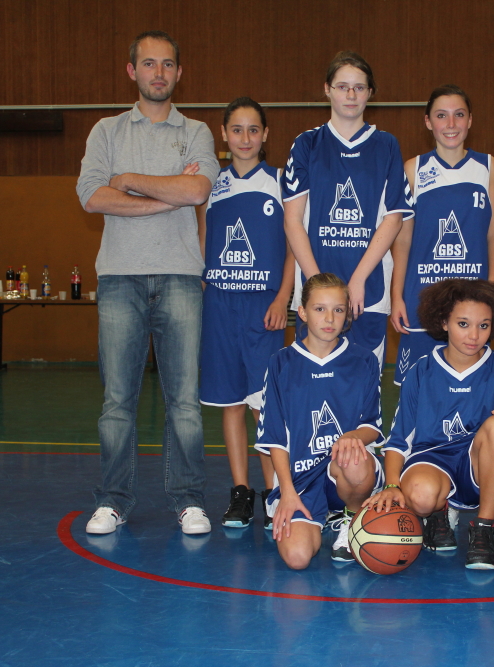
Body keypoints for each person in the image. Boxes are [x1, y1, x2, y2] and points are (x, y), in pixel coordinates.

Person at [76, 31, 219, 535]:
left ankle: (188, 500)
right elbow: (92, 196)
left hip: (181, 276)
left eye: (167, 65)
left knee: (184, 399)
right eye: (148, 64)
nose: (158, 73)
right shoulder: (105, 131)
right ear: (131, 70)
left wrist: (131, 179)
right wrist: (167, 198)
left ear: (179, 73)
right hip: (119, 279)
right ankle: (113, 499)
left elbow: (199, 188)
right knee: (118, 401)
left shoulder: (198, 131)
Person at [365, 279, 494, 570]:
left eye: (484, 326)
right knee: (419, 496)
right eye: (463, 324)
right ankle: (439, 511)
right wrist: (392, 484)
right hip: (432, 460)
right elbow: (398, 440)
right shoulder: (421, 370)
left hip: (478, 464)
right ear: (444, 322)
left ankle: (483, 526)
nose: (474, 335)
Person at [281, 51, 412, 367]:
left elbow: (393, 218)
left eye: (359, 87)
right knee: (314, 389)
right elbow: (293, 221)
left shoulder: (386, 145)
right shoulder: (306, 144)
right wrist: (318, 288)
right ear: (327, 89)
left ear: (370, 93)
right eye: (342, 86)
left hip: (368, 290)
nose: (351, 94)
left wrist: (357, 281)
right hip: (316, 287)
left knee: (363, 389)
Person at [198, 97, 294, 529]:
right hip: (220, 305)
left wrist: (284, 298)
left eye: (253, 129)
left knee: (263, 404)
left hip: (264, 307)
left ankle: (275, 489)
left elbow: (294, 245)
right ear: (223, 133)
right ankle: (241, 490)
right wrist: (203, 281)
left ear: (266, 135)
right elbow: (202, 237)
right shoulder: (209, 186)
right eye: (236, 129)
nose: (245, 138)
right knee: (231, 401)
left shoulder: (280, 181)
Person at [256, 273, 384, 569]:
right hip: (300, 479)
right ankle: (317, 515)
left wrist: (352, 436)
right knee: (298, 558)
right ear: (301, 312)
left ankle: (350, 519)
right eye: (319, 309)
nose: (330, 318)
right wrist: (287, 493)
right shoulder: (281, 363)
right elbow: (274, 437)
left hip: (350, 469)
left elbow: (372, 426)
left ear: (347, 313)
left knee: (351, 457)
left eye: (338, 310)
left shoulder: (363, 360)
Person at [391, 84, 494, 384]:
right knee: (418, 388)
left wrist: (491, 288)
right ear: (428, 122)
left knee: (474, 387)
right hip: (423, 293)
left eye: (459, 115)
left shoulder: (488, 166)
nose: (451, 124)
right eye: (442, 116)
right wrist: (397, 295)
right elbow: (402, 239)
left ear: (470, 120)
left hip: (473, 297)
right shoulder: (413, 169)